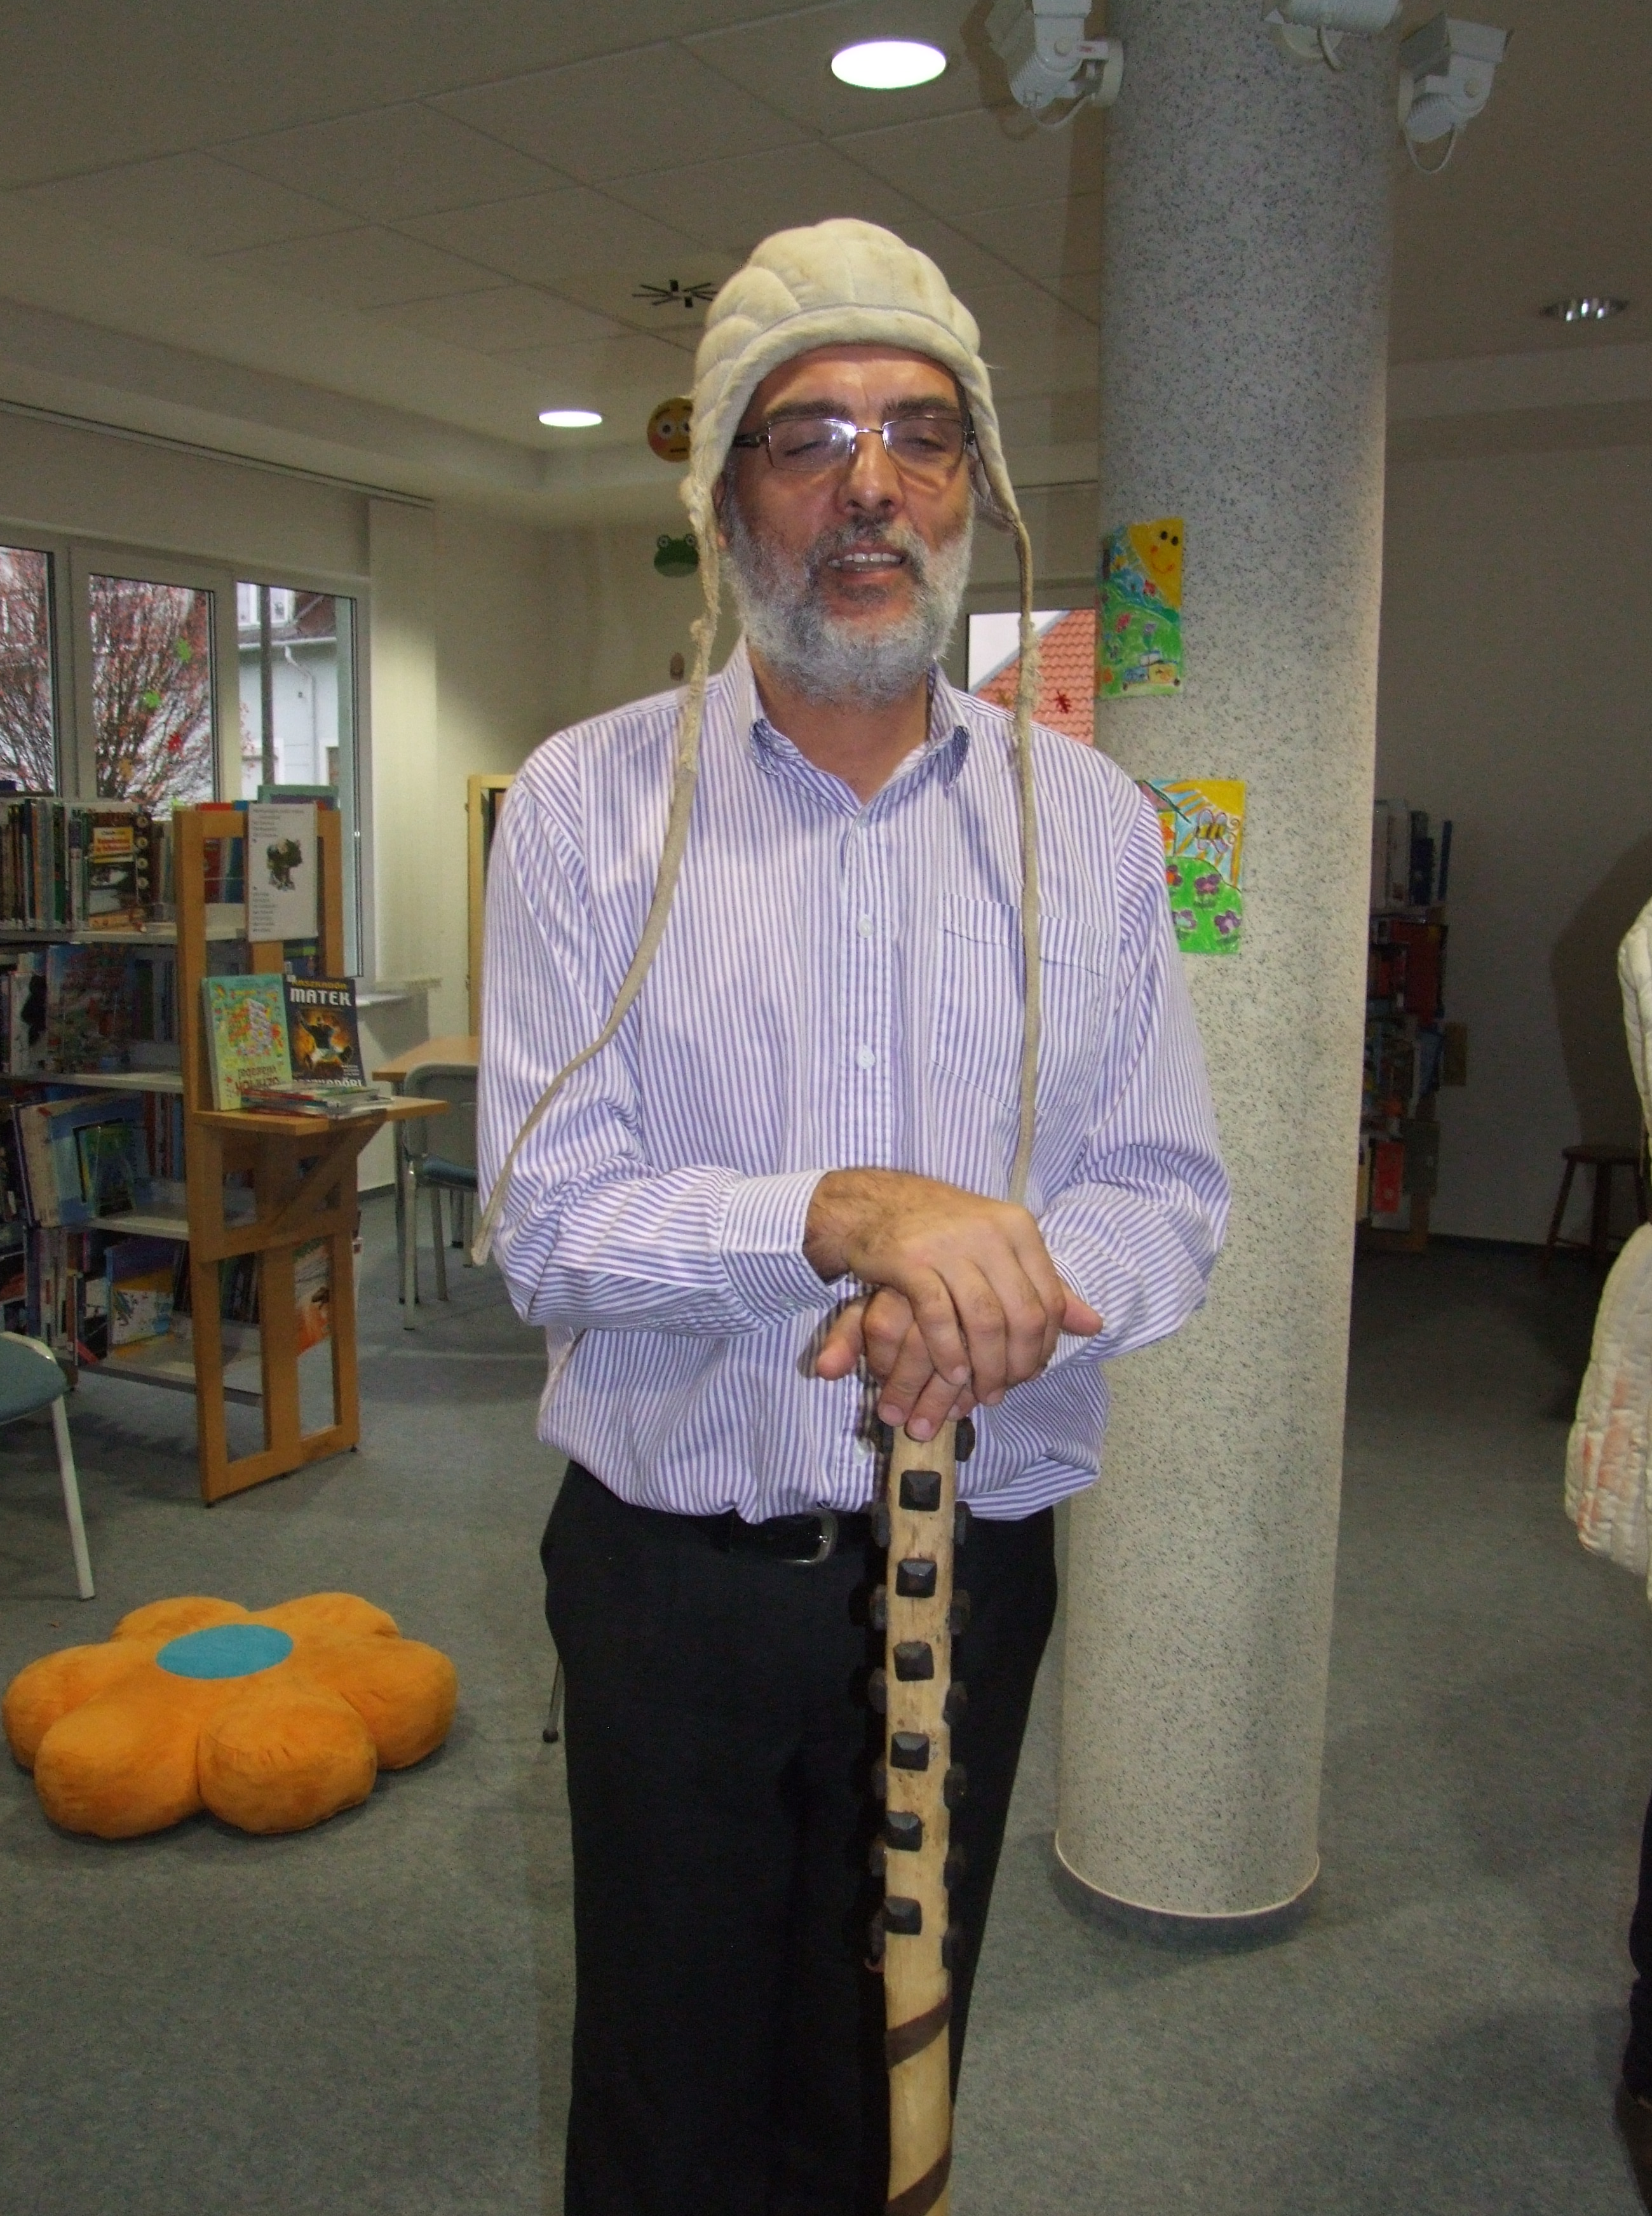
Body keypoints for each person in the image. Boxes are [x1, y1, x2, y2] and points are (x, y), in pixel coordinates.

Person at [478, 218, 1228, 2216]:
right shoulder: (584, 808)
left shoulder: (1094, 826)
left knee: (882, 2088)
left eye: (920, 431)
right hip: (671, 1577)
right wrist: (834, 1215)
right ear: (726, 497)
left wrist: (1007, 1295)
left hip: (975, 1563)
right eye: (808, 437)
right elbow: (545, 1221)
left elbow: (1168, 1193)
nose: (870, 484)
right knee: (665, 2105)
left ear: (977, 481)